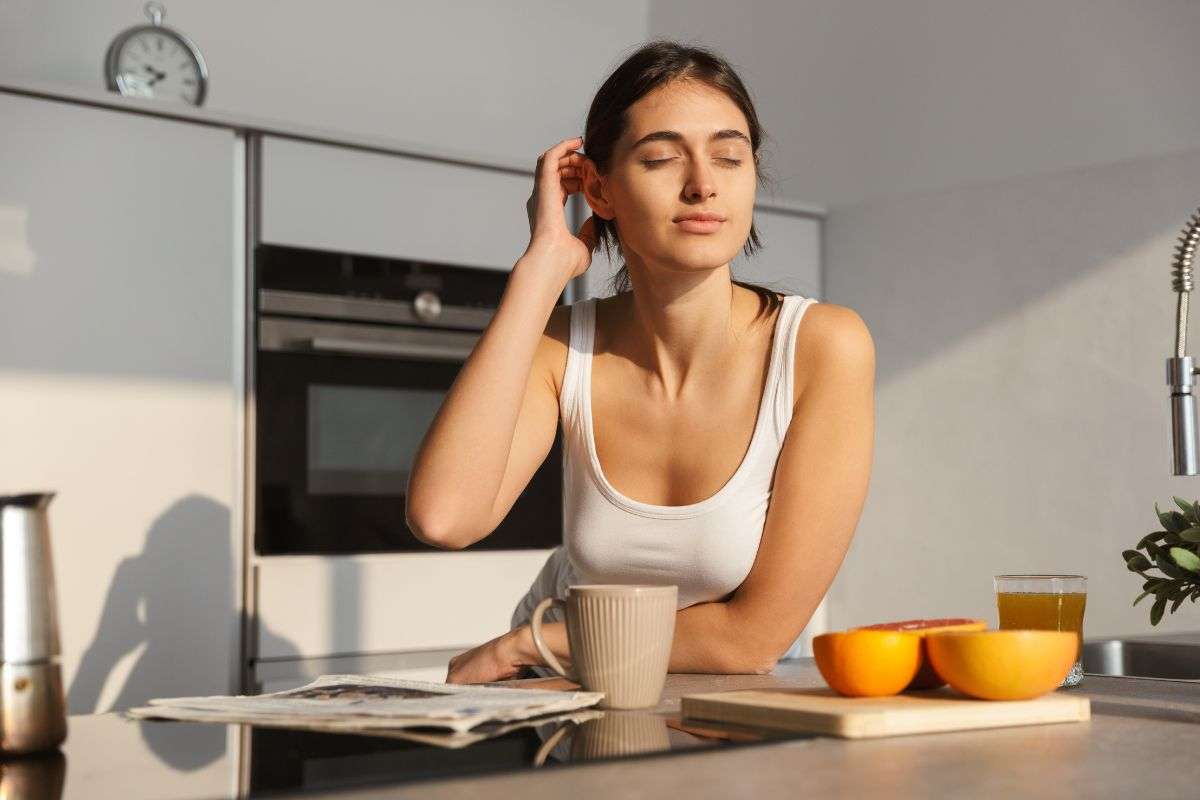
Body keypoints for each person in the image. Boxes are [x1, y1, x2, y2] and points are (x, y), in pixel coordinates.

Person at [406, 40, 875, 684]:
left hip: (729, 726)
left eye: (730, 157)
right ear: (599, 188)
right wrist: (540, 273)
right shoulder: (564, 345)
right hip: (573, 716)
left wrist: (531, 643)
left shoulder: (823, 345)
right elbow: (445, 517)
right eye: (660, 158)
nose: (704, 184)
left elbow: (751, 640)